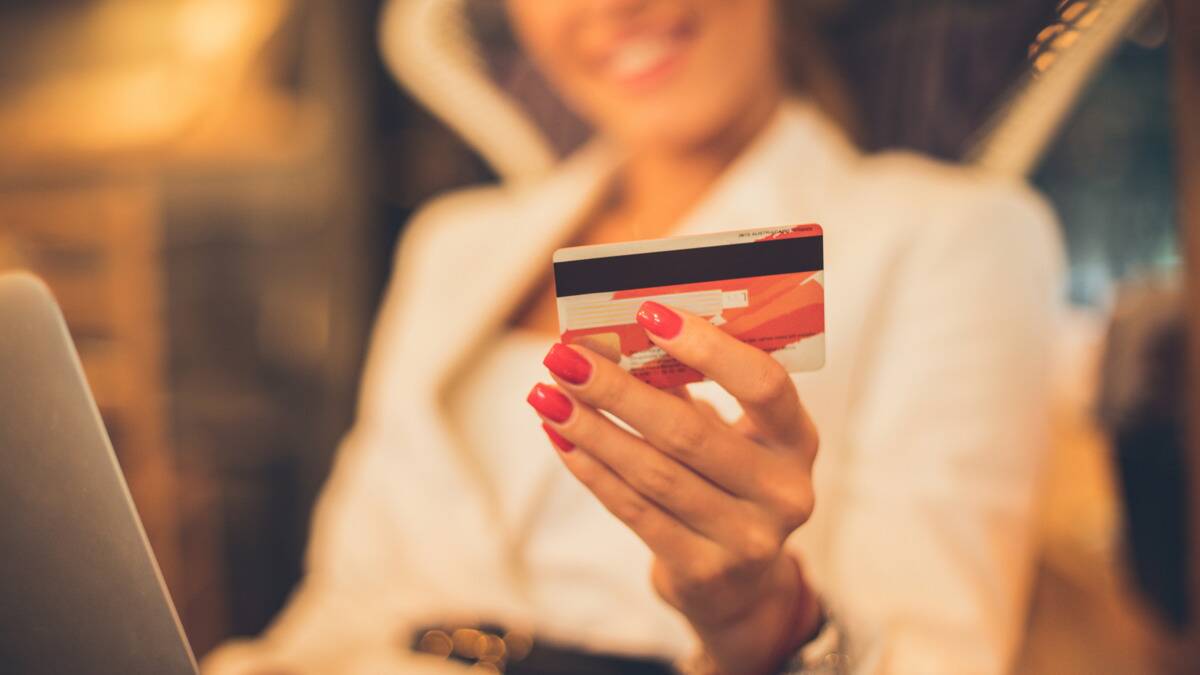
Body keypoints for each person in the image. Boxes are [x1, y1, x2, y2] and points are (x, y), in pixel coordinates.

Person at [203, 1, 1064, 673]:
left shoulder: (950, 236)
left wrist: (765, 626)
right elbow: (342, 600)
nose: (613, 3)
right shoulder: (453, 246)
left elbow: (932, 657)